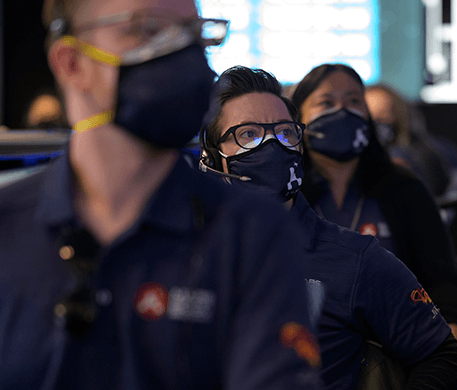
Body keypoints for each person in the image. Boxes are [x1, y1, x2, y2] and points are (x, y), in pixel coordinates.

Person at [0, 1, 323, 389]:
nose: (180, 54)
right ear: (72, 63)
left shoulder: (252, 234)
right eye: (148, 30)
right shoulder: (8, 225)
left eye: (191, 33)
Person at [199, 65, 457, 390]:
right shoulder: (170, 251)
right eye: (249, 135)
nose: (272, 147)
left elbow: (442, 356)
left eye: (285, 133)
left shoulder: (354, 259)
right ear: (212, 158)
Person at [290, 64, 457, 340]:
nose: (342, 112)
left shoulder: (403, 186)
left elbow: (440, 277)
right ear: (298, 117)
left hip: (396, 343)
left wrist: (447, 338)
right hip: (308, 344)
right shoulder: (286, 191)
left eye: (354, 101)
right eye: (326, 102)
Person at [364, 83, 457, 197]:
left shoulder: (403, 156)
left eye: (383, 116)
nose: (376, 124)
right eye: (370, 117)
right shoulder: (439, 145)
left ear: (400, 115)